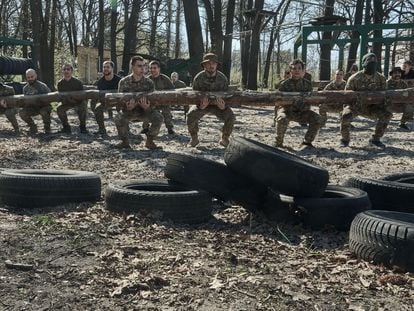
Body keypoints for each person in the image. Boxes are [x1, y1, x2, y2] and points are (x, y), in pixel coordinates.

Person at [340, 53, 392, 148]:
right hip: (355, 107)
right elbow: (347, 97)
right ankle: (345, 139)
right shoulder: (354, 78)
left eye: (374, 62)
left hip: (372, 108)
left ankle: (376, 139)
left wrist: (383, 106)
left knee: (387, 114)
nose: (372, 64)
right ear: (363, 63)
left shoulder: (381, 79)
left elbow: (384, 96)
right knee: (346, 116)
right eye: (369, 62)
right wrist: (346, 109)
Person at [114, 55, 163, 149]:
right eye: (139, 66)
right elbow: (119, 102)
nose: (142, 68)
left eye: (144, 66)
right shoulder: (123, 82)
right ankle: (125, 141)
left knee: (159, 117)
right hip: (129, 111)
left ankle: (150, 141)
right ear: (132, 67)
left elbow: (153, 102)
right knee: (118, 118)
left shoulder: (149, 82)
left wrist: (147, 107)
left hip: (145, 111)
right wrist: (127, 107)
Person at [187, 52, 235, 147]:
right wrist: (200, 106)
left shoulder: (223, 78)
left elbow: (226, 96)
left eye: (213, 63)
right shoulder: (198, 78)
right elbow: (195, 96)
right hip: (202, 105)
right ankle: (194, 138)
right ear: (204, 65)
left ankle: (225, 139)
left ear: (217, 65)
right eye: (208, 63)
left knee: (231, 116)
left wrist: (223, 106)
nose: (211, 65)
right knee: (190, 115)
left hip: (218, 106)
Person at [275, 59, 322, 148]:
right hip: (287, 111)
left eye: (299, 68)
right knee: (282, 119)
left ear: (302, 71)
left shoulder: (307, 84)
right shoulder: (284, 84)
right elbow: (279, 101)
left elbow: (310, 99)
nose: (296, 70)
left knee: (317, 119)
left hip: (302, 112)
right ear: (291, 71)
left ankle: (307, 142)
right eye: (294, 68)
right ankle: (278, 143)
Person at [142, 60, 175, 135]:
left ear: (159, 69)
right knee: (146, 110)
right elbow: (143, 92)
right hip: (151, 102)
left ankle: (170, 128)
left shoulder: (165, 79)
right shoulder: (146, 80)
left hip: (164, 102)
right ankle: (145, 127)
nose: (152, 70)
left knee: (166, 112)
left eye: (154, 68)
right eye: (151, 68)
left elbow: (172, 91)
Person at [56, 64, 88, 134]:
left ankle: (83, 127)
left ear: (71, 71)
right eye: (64, 69)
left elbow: (82, 96)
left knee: (83, 106)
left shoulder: (78, 82)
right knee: (59, 109)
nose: (66, 71)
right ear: (62, 71)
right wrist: (67, 100)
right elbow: (61, 96)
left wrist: (76, 101)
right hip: (66, 102)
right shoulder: (60, 83)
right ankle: (66, 127)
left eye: (68, 69)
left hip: (78, 102)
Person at [20, 69, 52, 134]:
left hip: (44, 106)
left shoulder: (42, 86)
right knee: (22, 113)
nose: (30, 79)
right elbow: (25, 101)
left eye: (32, 76)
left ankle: (47, 128)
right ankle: (33, 127)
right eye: (28, 77)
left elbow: (50, 98)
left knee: (43, 111)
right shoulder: (25, 88)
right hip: (33, 107)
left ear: (36, 76)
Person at [93, 60, 122, 135]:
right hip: (105, 101)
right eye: (104, 67)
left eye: (108, 67)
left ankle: (125, 128)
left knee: (123, 109)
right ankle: (102, 129)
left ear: (112, 69)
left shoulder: (119, 81)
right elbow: (100, 96)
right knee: (97, 109)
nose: (105, 69)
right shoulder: (100, 82)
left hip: (119, 101)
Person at [399, 60, 414, 130]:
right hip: (399, 93)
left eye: (406, 66)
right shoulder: (398, 73)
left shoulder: (413, 73)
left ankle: (403, 122)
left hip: (410, 93)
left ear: (410, 67)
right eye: (403, 65)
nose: (404, 67)